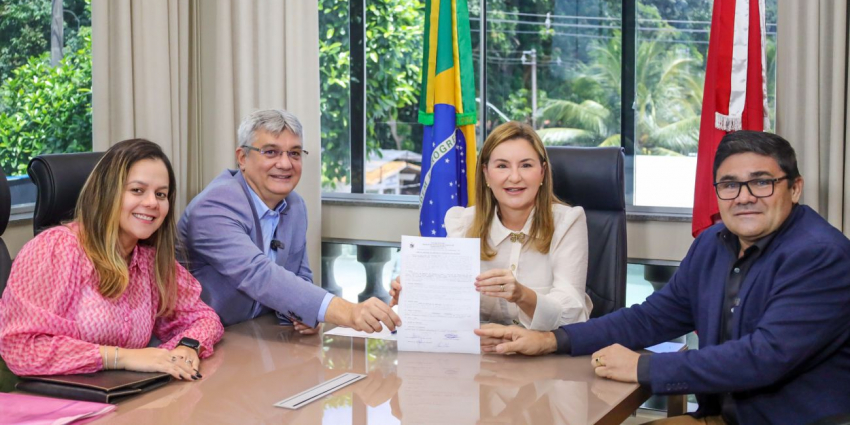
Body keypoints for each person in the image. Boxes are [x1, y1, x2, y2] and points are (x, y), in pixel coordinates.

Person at [476, 131, 850, 424]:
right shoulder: (712, 244)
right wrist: (549, 340)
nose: (744, 197)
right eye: (730, 185)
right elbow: (651, 318)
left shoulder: (819, 255)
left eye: (762, 182)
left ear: (795, 188)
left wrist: (643, 367)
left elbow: (762, 358)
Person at [0, 139, 224, 379]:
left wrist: (187, 346)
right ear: (107, 193)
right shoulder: (57, 249)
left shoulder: (149, 260)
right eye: (137, 190)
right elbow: (21, 348)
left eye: (161, 194)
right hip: (55, 402)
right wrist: (122, 357)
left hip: (121, 395)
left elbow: (204, 317)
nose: (151, 203)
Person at [179, 109, 401, 333]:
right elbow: (259, 275)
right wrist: (347, 312)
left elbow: (300, 276)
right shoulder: (214, 206)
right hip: (195, 341)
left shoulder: (295, 206)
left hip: (256, 336)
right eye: (271, 152)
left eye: (294, 153)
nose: (285, 164)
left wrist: (307, 314)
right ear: (242, 158)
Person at [390, 121, 592, 330]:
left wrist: (523, 296)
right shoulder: (463, 223)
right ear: (486, 173)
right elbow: (446, 299)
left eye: (526, 165)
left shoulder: (568, 223)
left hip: (545, 354)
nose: (514, 177)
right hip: (482, 353)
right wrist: (414, 290)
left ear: (542, 172)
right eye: (502, 166)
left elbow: (572, 316)